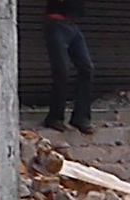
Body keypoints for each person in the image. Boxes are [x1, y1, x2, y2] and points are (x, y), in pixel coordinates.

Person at [42, 0, 94, 134]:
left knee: (86, 68)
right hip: (56, 23)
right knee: (62, 71)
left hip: (72, 24)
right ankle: (54, 117)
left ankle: (81, 117)